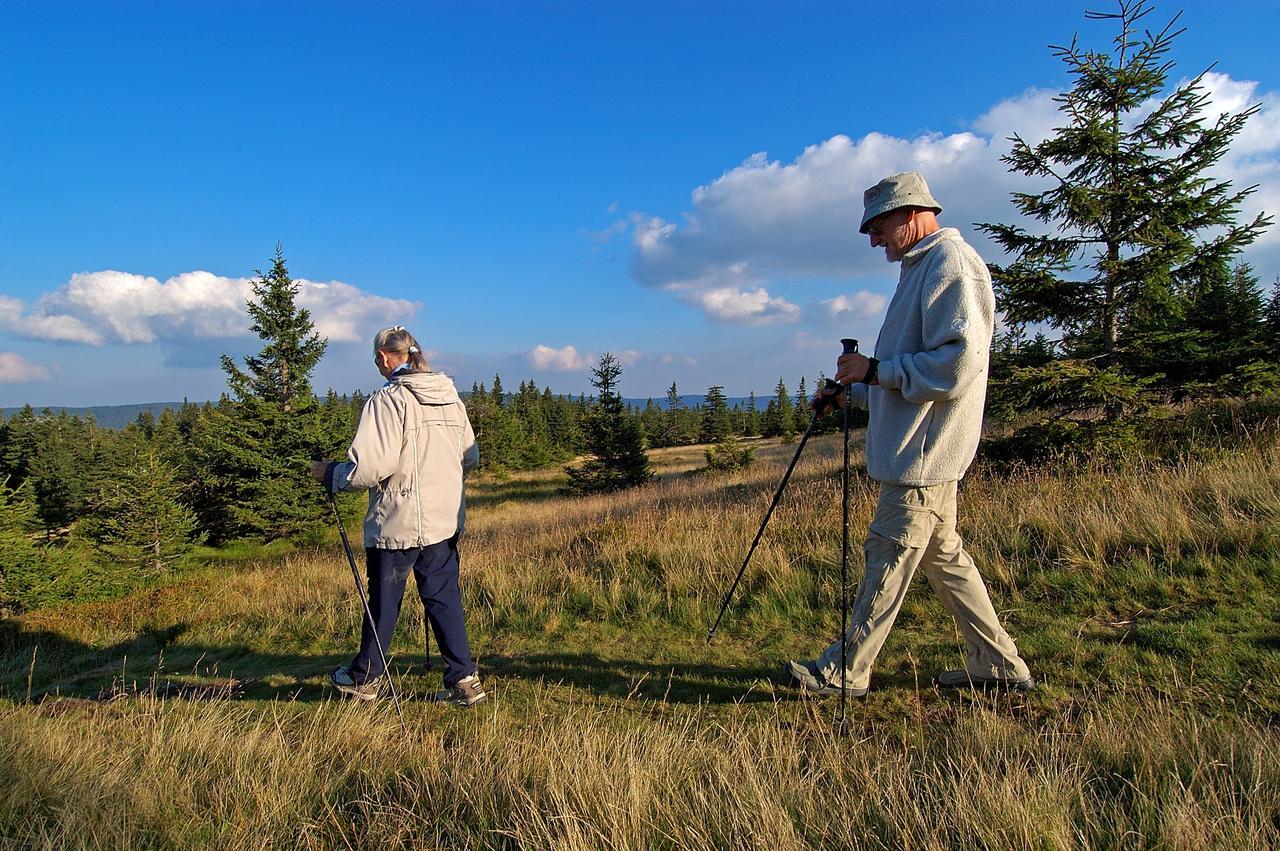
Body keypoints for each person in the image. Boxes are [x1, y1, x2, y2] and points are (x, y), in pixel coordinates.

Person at [786, 172, 1034, 697]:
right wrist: (853, 391)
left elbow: (957, 364)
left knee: (888, 555)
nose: (874, 239)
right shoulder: (921, 269)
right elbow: (906, 367)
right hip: (925, 448)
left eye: (878, 226)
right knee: (944, 557)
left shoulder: (952, 265)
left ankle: (844, 671)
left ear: (912, 213)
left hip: (923, 454)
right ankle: (997, 665)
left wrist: (876, 372)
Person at [310, 325, 486, 707]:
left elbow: (371, 468)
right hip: (443, 521)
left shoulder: (388, 401)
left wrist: (334, 474)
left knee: (384, 601)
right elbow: (469, 457)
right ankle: (464, 679)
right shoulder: (449, 398)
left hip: (398, 521)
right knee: (443, 597)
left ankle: (365, 678)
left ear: (385, 358)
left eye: (378, 360)